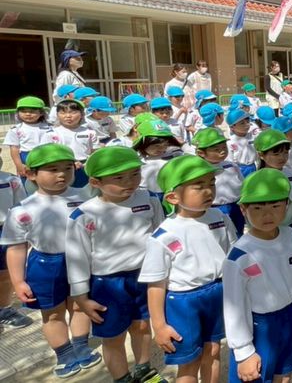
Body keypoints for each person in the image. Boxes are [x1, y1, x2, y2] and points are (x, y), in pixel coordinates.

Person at [66, 146, 167, 383]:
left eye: (135, 174)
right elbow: (77, 257)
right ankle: (121, 378)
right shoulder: (84, 214)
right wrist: (81, 297)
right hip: (107, 284)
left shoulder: (149, 199)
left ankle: (145, 371)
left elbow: (161, 236)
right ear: (95, 182)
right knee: (113, 337)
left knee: (142, 326)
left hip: (144, 277)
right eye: (119, 178)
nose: (130, 182)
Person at [1, 144, 100, 376]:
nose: (62, 174)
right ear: (30, 174)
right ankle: (64, 354)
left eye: (67, 168)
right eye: (53, 169)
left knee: (80, 305)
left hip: (81, 261)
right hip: (46, 265)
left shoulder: (84, 197)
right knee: (52, 313)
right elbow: (16, 248)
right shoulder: (22, 210)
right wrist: (18, 282)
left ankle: (81, 346)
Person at [140, 155, 236, 383]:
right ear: (173, 197)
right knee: (189, 361)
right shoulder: (164, 235)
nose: (208, 191)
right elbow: (156, 284)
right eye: (198, 186)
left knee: (213, 350)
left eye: (211, 183)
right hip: (183, 302)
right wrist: (159, 325)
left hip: (216, 293)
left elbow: (234, 256)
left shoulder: (220, 218)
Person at [222, 169, 292, 383]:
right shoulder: (239, 257)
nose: (267, 214)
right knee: (256, 376)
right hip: (261, 326)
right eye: (257, 207)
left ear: (287, 205)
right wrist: (243, 351)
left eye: (275, 206)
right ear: (243, 209)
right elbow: (234, 308)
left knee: (285, 370)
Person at [253, 130, 292, 240]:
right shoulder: (256, 181)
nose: (282, 157)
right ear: (261, 155)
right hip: (268, 229)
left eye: (285, 152)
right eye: (276, 154)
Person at [0, 150, 32, 330]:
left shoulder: (10, 180)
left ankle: (4, 309)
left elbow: (21, 206)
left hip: (5, 231)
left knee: (5, 273)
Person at [42, 100, 98, 191]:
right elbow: (47, 154)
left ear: (82, 114)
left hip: (85, 167)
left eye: (73, 112)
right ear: (57, 115)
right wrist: (69, 163)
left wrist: (88, 163)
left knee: (85, 192)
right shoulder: (51, 133)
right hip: (61, 168)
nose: (68, 116)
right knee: (64, 192)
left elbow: (94, 152)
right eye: (63, 113)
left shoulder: (90, 132)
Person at [5, 96, 51, 179]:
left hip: (48, 156)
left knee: (47, 179)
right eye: (23, 111)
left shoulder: (50, 127)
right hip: (26, 157)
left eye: (32, 111)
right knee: (27, 181)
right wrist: (19, 165)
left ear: (41, 113)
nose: (28, 114)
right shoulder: (15, 130)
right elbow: (14, 149)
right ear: (18, 113)